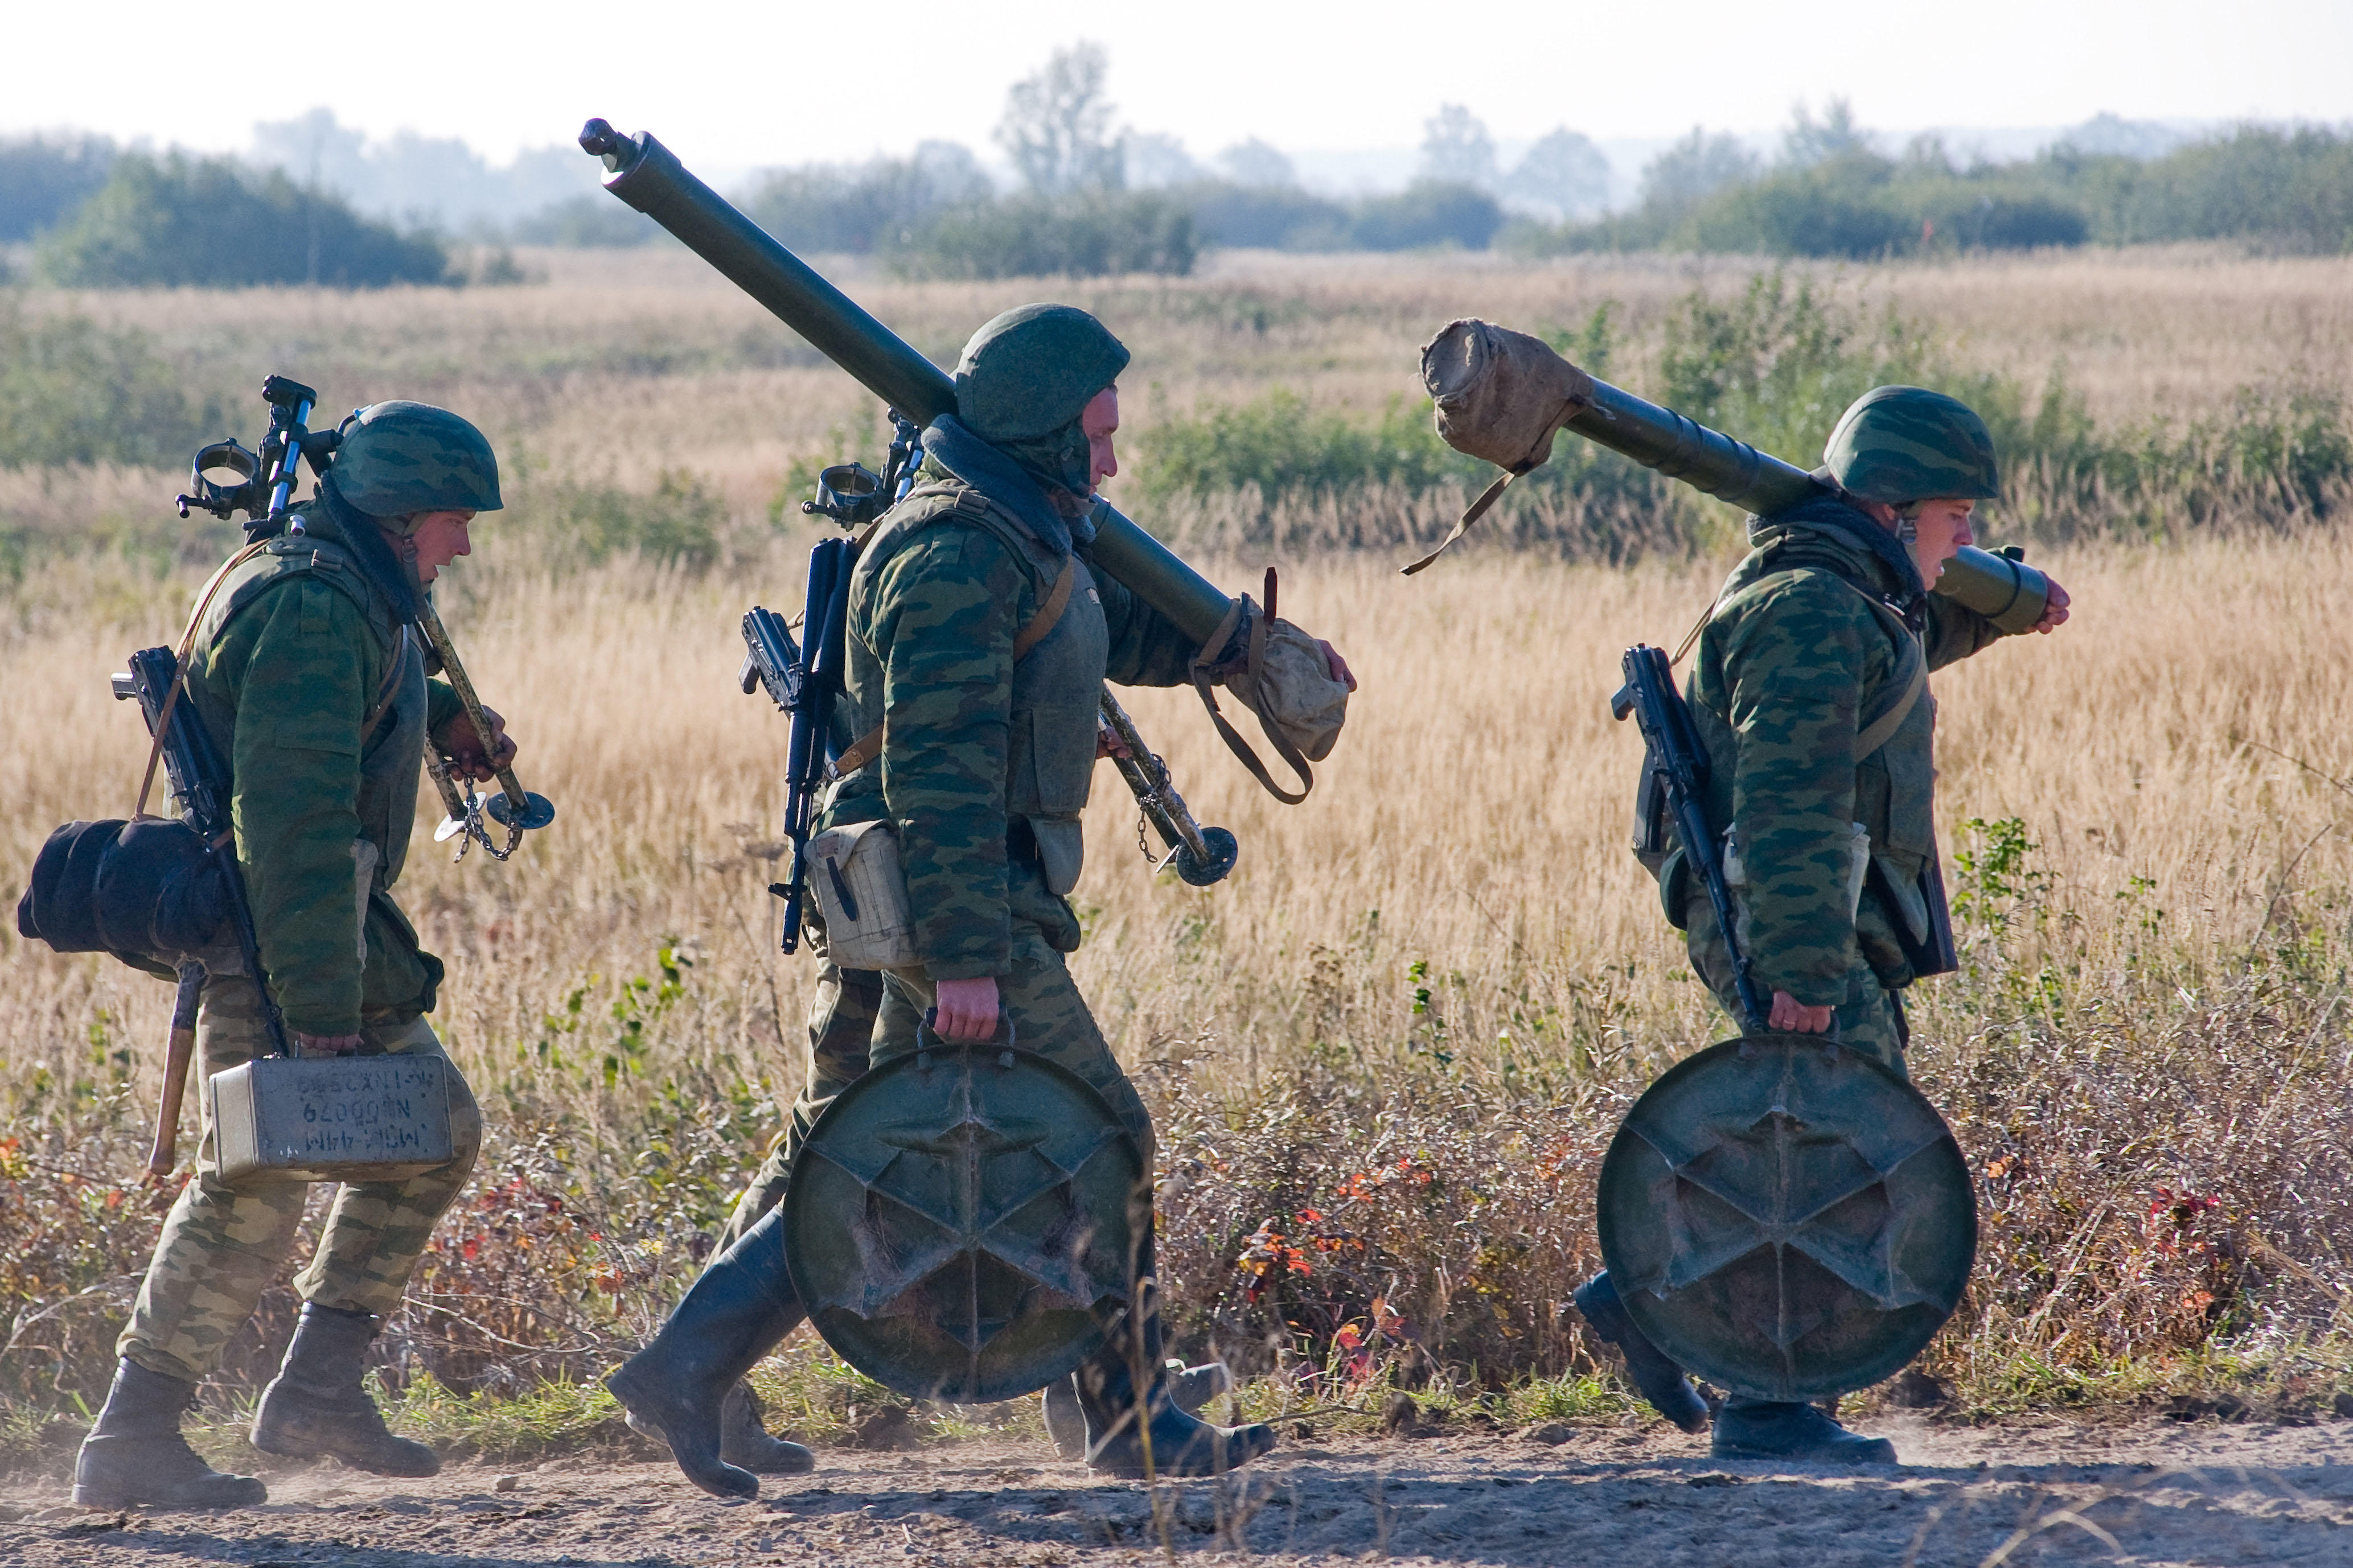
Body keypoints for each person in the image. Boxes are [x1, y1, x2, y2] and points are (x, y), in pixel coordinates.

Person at [607, 303, 1353, 1500]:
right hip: (967, 905)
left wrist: (1249, 648)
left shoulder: (1022, 526)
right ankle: (1129, 1420)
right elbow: (939, 776)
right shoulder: (956, 551)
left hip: (965, 902)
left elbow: (1097, 626)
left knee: (872, 1150)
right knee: (1101, 1131)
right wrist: (963, 959)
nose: (1112, 459)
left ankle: (689, 1370)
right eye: (1097, 436)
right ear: (1044, 430)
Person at [1576, 385, 2071, 1465]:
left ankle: (1639, 1293)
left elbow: (1909, 639)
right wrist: (1798, 967)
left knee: (1823, 1137)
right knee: (1837, 1147)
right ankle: (1764, 1409)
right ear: (1891, 511)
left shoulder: (1849, 596)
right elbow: (1790, 801)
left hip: (1793, 917)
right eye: (1954, 516)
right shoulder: (1811, 607)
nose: (1970, 534)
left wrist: (2018, 598)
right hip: (1780, 917)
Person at [72, 403, 517, 1511]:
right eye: (455, 522)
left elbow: (348, 715)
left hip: (315, 929)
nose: (463, 545)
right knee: (251, 1184)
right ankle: (135, 1435)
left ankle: (313, 1387)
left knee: (424, 1132)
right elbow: (298, 822)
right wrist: (315, 1012)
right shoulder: (314, 607)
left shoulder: (346, 587)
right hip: (287, 938)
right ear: (401, 513)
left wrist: (446, 716)